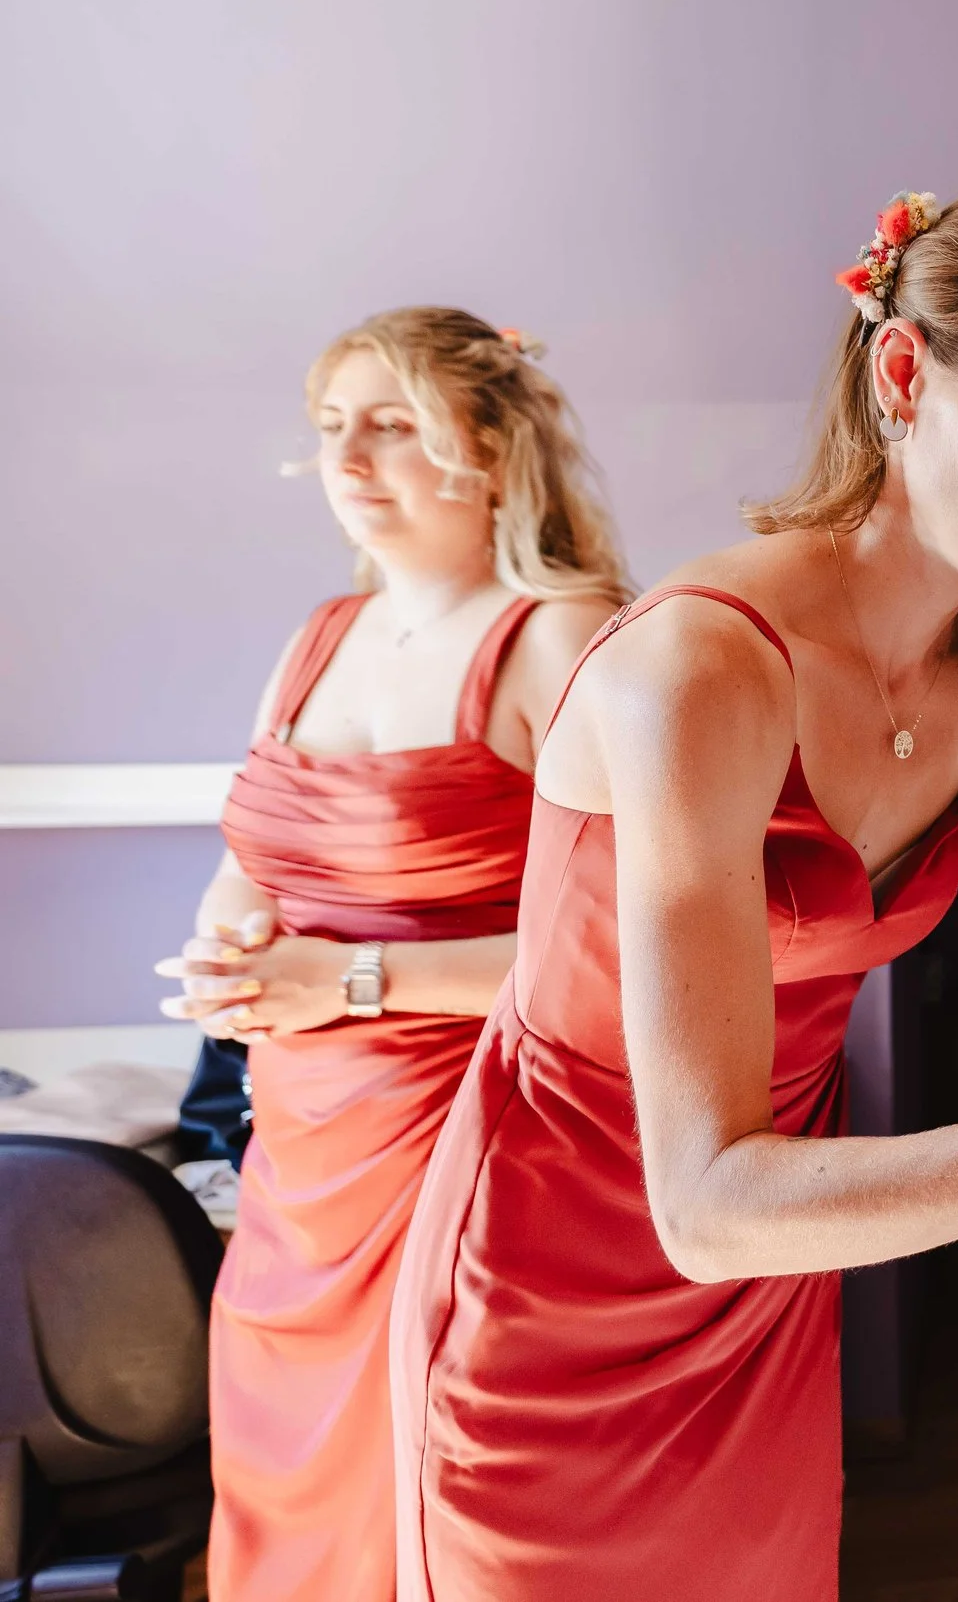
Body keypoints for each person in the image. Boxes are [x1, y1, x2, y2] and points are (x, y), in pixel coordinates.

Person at [388, 182, 958, 1600]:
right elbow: (700, 1197)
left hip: (782, 1267)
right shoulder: (700, 669)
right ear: (903, 375)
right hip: (565, 1267)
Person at [152, 308, 630, 1602]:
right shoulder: (318, 632)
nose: (347, 457)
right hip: (302, 1155)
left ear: (490, 444)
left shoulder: (563, 635)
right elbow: (254, 856)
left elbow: (624, 951)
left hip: (479, 1146)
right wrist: (223, 948)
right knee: (293, 1468)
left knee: (446, 1479)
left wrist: (349, 980)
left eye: (392, 423)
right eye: (330, 429)